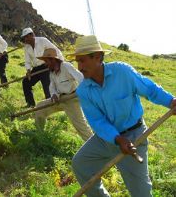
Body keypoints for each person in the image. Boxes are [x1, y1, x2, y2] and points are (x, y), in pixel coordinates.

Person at [68, 35, 176, 197]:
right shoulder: (83, 90)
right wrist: (118, 139)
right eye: (78, 61)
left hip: (134, 136)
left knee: (141, 191)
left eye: (82, 61)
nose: (79, 67)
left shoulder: (122, 72)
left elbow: (150, 90)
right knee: (81, 164)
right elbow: (97, 121)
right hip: (106, 139)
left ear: (97, 58)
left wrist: (171, 101)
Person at [35, 48, 93, 141]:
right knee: (40, 108)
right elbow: (52, 86)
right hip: (59, 99)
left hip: (72, 99)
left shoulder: (66, 66)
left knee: (81, 127)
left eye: (47, 61)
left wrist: (84, 90)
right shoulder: (52, 72)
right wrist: (54, 94)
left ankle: (93, 145)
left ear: (53, 60)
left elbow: (81, 78)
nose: (46, 64)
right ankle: (40, 136)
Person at [21, 27, 64, 108]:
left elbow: (55, 50)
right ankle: (31, 104)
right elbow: (27, 61)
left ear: (32, 35)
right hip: (36, 68)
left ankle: (50, 106)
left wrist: (60, 62)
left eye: (27, 37)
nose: (25, 39)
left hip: (46, 66)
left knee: (47, 86)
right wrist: (28, 70)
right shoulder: (26, 47)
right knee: (26, 82)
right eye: (24, 37)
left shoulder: (42, 40)